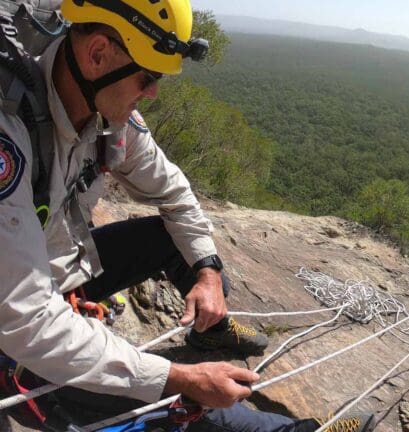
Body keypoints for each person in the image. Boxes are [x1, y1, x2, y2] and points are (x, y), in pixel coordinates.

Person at [0, 1, 373, 431]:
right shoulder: (11, 131)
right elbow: (24, 318)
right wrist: (178, 377)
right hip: (12, 334)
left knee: (175, 239)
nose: (154, 91)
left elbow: (175, 192)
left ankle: (208, 330)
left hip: (49, 269)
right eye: (148, 76)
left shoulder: (103, 111)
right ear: (98, 53)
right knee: (181, 403)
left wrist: (208, 272)